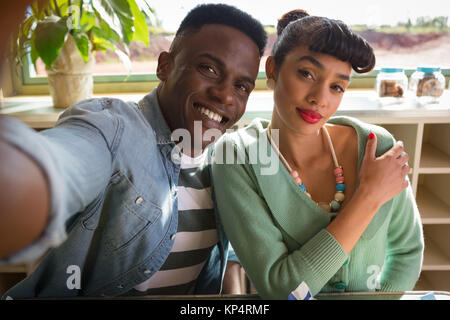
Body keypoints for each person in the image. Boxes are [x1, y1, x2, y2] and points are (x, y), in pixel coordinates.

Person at [0, 3, 267, 298]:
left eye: (242, 86)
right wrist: (24, 181)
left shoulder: (229, 161)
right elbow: (66, 162)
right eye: (208, 68)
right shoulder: (112, 128)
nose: (226, 95)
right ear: (164, 65)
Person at [211, 10, 424, 300]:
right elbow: (281, 289)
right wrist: (368, 198)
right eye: (307, 74)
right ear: (272, 70)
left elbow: (408, 250)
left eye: (337, 87)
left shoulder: (378, 147)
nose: (320, 99)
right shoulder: (236, 157)